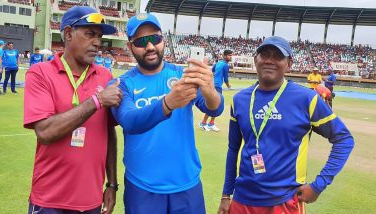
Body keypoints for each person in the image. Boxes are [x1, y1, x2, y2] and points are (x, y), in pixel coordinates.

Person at [218, 36, 354, 214]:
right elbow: (233, 149)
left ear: (288, 63)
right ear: (255, 59)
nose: (269, 60)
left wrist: (319, 185)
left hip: (284, 201)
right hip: (242, 199)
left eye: (278, 56)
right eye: (264, 54)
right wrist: (226, 195)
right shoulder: (240, 100)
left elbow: (344, 139)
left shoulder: (306, 99)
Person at [110, 13, 224, 214]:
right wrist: (168, 103)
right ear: (129, 46)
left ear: (163, 39)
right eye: (141, 42)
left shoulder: (182, 75)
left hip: (187, 185)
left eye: (155, 38)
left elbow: (214, 108)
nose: (150, 47)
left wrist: (209, 89)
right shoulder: (122, 84)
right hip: (142, 187)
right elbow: (129, 120)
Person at [24, 6, 122, 214]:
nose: (97, 43)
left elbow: (109, 134)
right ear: (68, 34)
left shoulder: (105, 76)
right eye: (90, 34)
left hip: (91, 200)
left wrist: (112, 184)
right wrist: (97, 100)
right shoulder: (40, 73)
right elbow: (45, 132)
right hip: (49, 200)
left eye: (99, 36)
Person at [199, 49, 232, 132]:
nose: (230, 57)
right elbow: (226, 78)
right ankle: (203, 123)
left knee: (216, 106)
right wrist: (228, 85)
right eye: (229, 55)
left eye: (231, 55)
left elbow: (212, 71)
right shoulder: (225, 65)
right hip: (217, 86)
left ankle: (211, 123)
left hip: (215, 85)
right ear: (225, 56)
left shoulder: (218, 63)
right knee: (213, 106)